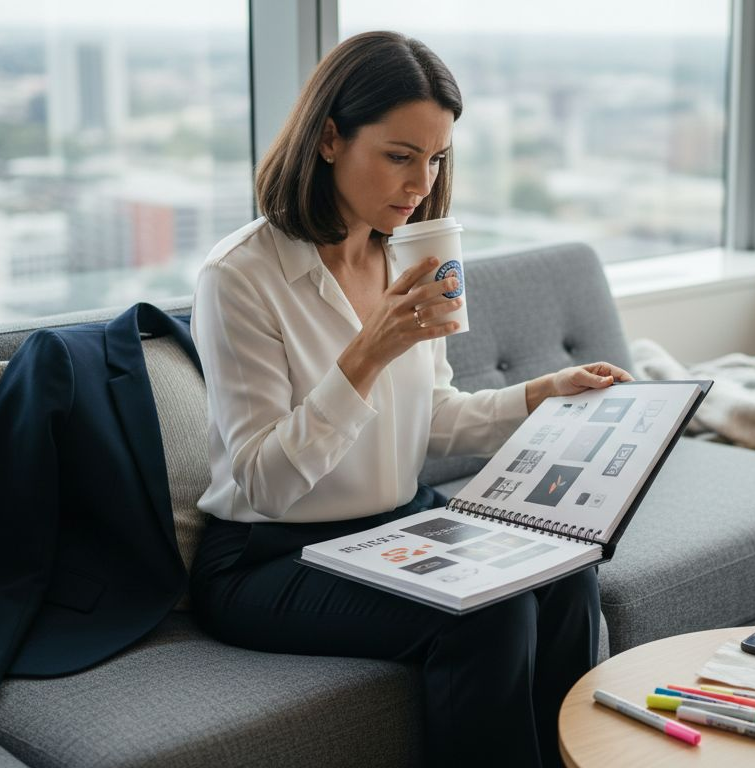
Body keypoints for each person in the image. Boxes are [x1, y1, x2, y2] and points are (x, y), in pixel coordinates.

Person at [188, 31, 634, 768]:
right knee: (487, 619)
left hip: (396, 524)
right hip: (269, 557)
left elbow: (431, 419)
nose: (421, 182)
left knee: (562, 571)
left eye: (435, 159)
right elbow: (263, 481)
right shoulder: (240, 276)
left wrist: (539, 396)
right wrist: (366, 354)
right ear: (329, 138)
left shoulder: (411, 254)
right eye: (400, 156)